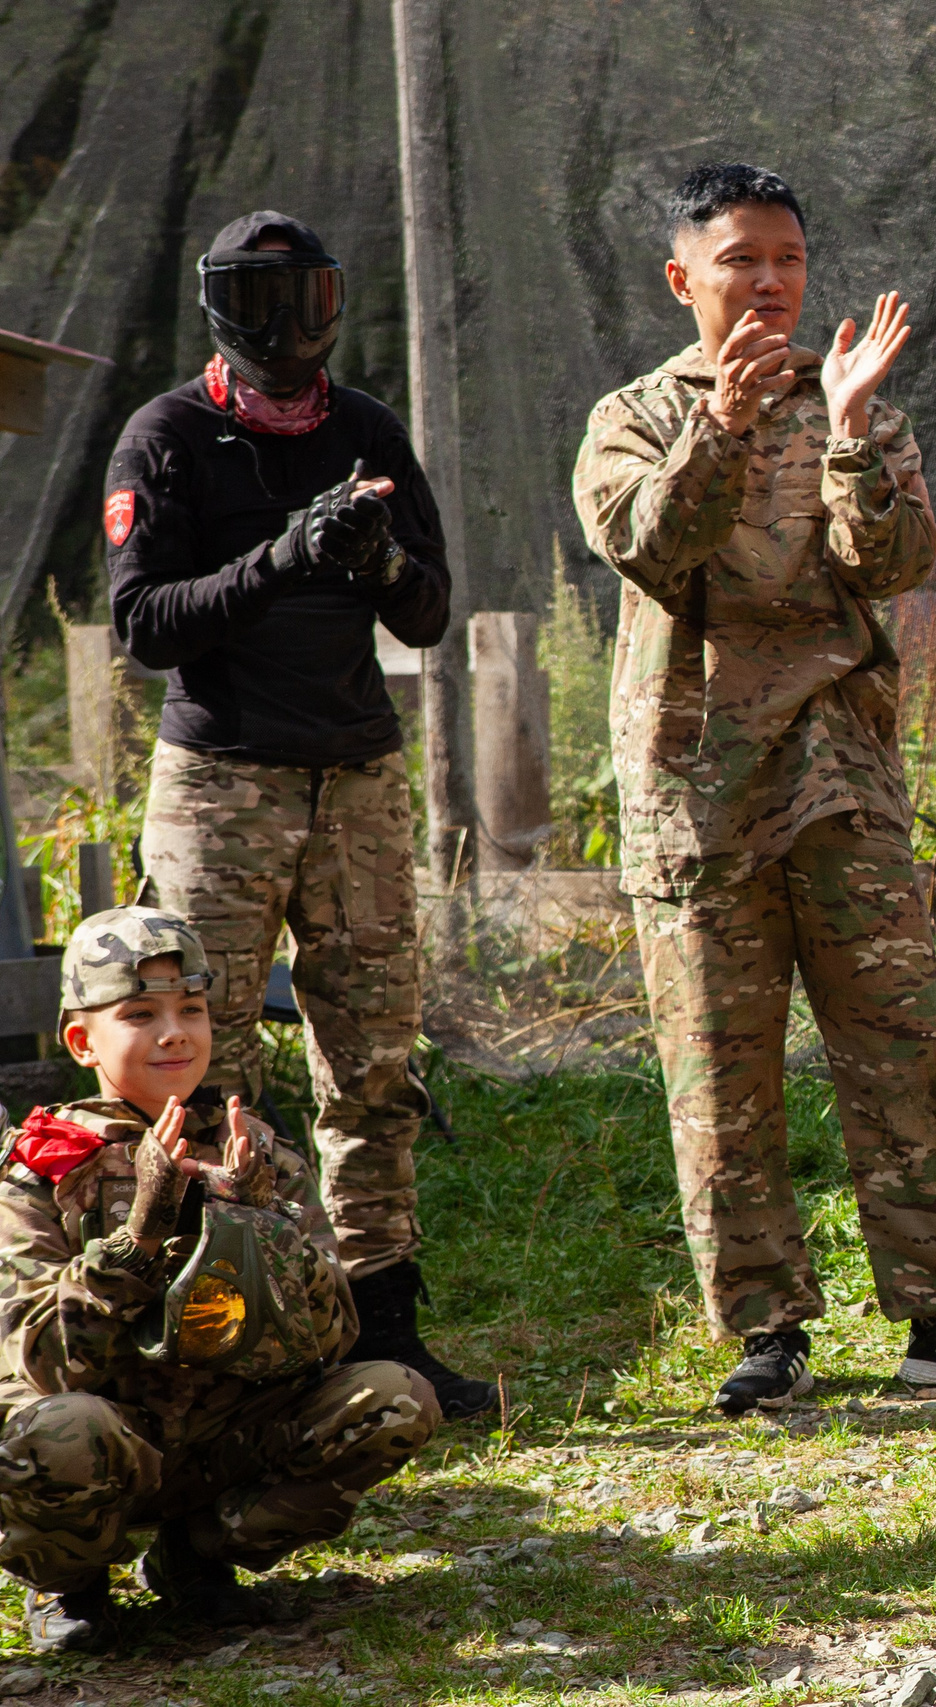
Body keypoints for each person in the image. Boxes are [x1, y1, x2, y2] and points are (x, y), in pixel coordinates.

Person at [573, 163, 936, 1413]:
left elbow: (897, 564)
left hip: (839, 770)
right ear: (683, 277)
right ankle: (764, 1330)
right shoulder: (631, 417)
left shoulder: (849, 402)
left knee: (895, 1045)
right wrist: (724, 430)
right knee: (719, 1066)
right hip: (697, 789)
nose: (771, 282)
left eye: (789, 257)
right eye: (742, 258)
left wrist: (850, 436)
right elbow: (648, 544)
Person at [103, 210, 492, 1420]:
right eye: (264, 302)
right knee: (209, 1069)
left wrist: (375, 561)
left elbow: (428, 615)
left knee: (373, 1068)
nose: (292, 328)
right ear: (223, 309)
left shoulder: (367, 429)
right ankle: (230, 1340)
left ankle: (385, 1332)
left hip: (357, 781)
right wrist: (279, 557)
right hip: (221, 786)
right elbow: (142, 624)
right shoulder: (167, 436)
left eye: (309, 298)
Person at [0, 908, 437, 1653]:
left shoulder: (255, 1154)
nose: (174, 1031)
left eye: (191, 1009)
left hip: (223, 1432)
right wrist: (137, 1238)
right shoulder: (42, 1170)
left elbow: (335, 1339)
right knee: (61, 1428)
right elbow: (33, 1360)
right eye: (140, 1013)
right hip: (105, 1439)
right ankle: (69, 1581)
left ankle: (198, 1555)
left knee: (395, 1397)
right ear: (82, 1040)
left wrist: (261, 1223)